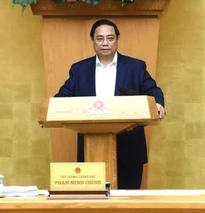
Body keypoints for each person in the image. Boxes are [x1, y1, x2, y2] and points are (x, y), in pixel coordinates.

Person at [55, 19, 165, 189]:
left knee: (128, 204)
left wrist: (158, 103)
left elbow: (152, 89)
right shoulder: (79, 70)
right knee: (93, 205)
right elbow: (62, 97)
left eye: (110, 38)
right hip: (91, 148)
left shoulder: (135, 67)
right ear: (92, 40)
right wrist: (54, 108)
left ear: (117, 39)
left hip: (129, 147)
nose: (105, 43)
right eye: (100, 39)